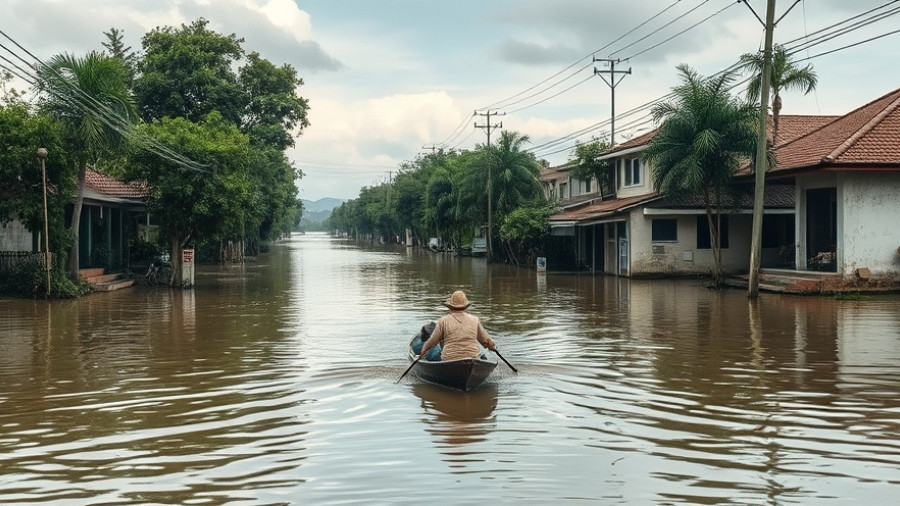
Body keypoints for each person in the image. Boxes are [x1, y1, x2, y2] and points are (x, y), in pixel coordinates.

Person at [419, 290, 496, 361]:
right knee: (482, 357)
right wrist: (491, 346)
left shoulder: (443, 321)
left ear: (450, 308)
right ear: (465, 307)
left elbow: (433, 341)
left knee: (433, 354)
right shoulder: (475, 320)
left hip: (449, 359)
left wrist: (424, 350)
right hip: (473, 357)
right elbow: (488, 342)